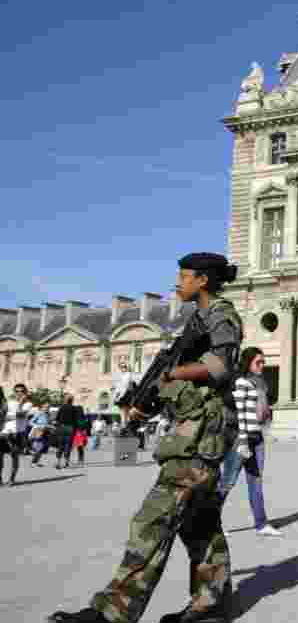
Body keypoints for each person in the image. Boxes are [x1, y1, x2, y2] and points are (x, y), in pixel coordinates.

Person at [48, 252, 242, 623]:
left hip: (199, 436)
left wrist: (176, 374)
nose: (177, 283)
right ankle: (211, 603)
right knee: (198, 523)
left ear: (202, 280)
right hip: (195, 431)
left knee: (152, 520)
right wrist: (145, 404)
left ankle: (112, 613)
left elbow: (220, 366)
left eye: (183, 276)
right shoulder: (198, 319)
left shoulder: (221, 314)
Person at [218, 347, 281, 537]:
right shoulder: (239, 382)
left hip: (257, 436)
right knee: (228, 481)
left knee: (256, 481)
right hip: (241, 437)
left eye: (263, 362)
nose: (262, 365)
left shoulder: (261, 382)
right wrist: (243, 439)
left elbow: (261, 408)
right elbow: (241, 414)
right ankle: (211, 522)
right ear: (248, 362)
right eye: (258, 362)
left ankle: (261, 524)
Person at [55, 394, 85, 469]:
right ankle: (66, 462)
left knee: (60, 445)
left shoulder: (61, 408)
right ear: (72, 400)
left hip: (62, 428)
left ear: (65, 400)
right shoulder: (74, 409)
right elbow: (76, 420)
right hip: (71, 428)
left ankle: (58, 462)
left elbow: (57, 419)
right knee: (68, 445)